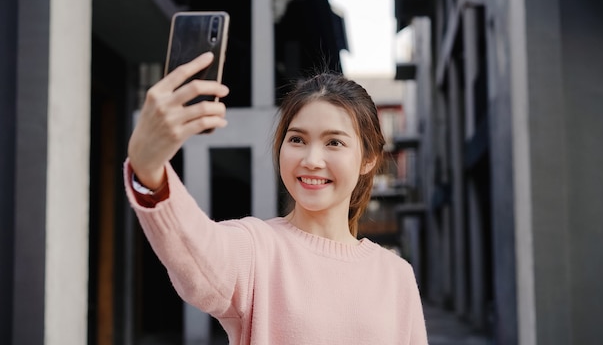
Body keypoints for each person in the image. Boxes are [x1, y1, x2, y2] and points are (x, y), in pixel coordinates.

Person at [124, 52, 428, 344]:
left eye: (334, 142)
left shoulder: (396, 275)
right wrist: (149, 170)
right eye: (297, 139)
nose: (311, 159)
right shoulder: (256, 248)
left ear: (369, 158)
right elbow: (195, 252)